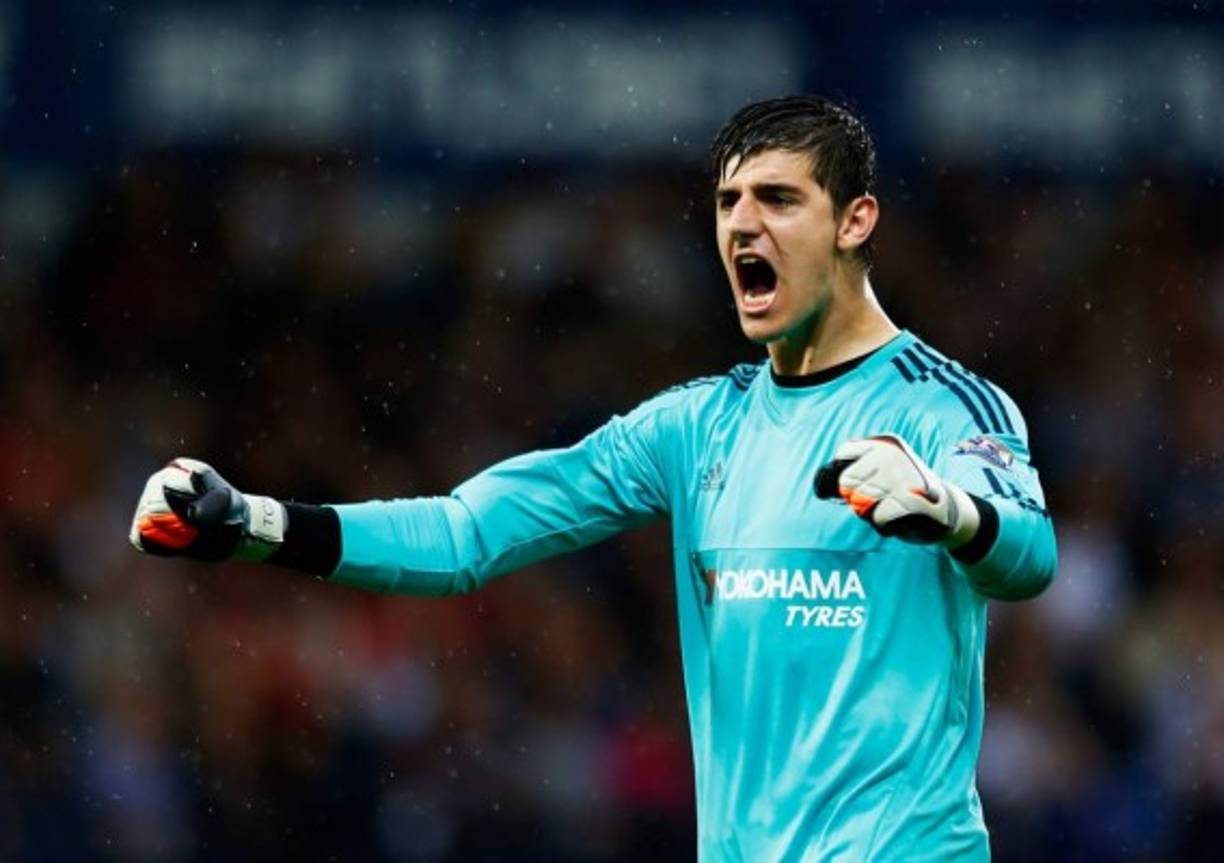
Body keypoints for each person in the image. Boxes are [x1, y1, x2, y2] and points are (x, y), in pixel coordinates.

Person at [130, 95, 1057, 861]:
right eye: (729, 201)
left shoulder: (944, 407)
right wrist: (254, 522)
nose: (742, 223)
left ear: (856, 220)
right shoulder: (696, 425)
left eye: (778, 198)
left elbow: (1027, 555)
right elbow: (465, 534)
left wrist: (951, 513)